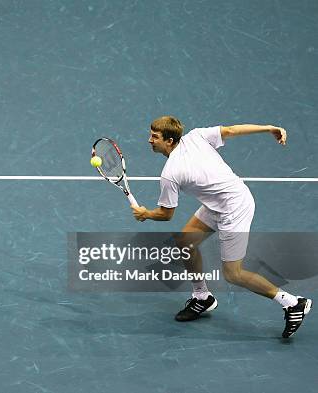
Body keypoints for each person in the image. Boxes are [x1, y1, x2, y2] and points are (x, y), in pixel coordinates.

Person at [131, 115, 311, 338]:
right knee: (185, 242)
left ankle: (293, 303)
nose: (149, 140)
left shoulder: (171, 173)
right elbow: (232, 130)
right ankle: (202, 297)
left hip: (235, 208)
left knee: (233, 274)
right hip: (218, 203)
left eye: (155, 137)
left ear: (169, 141)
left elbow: (166, 215)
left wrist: (145, 214)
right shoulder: (196, 135)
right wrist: (268, 127)